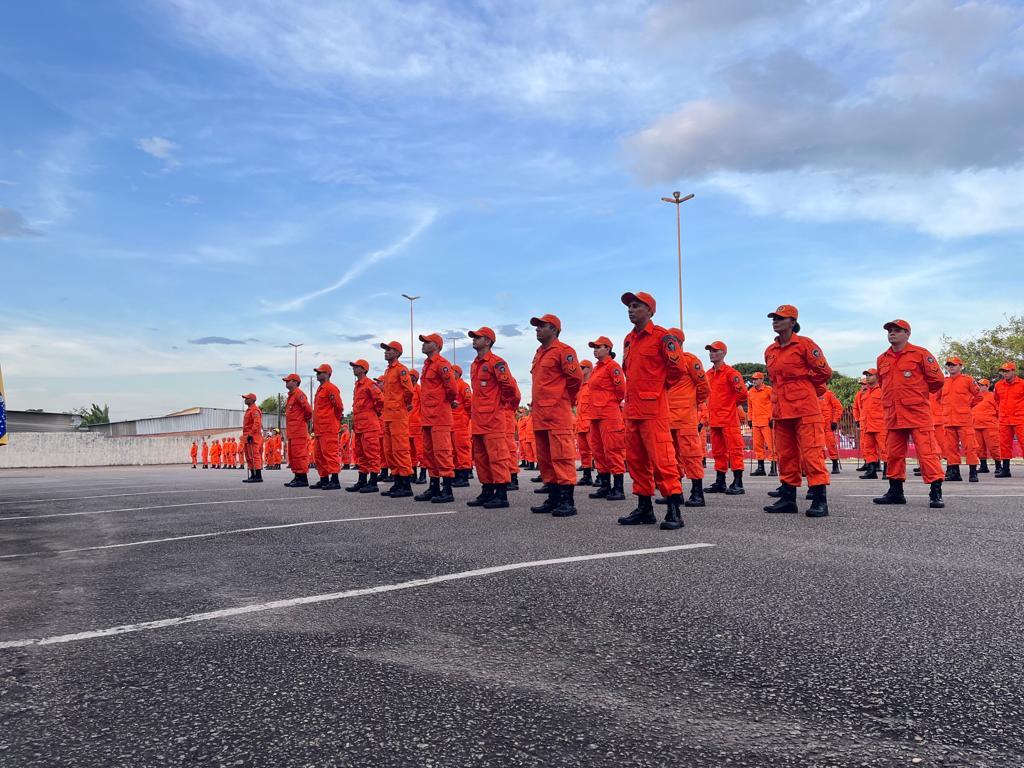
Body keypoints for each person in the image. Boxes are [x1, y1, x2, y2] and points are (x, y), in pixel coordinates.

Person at [615, 292, 688, 529]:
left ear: (650, 310)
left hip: (654, 409)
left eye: (636, 306)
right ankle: (644, 508)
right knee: (636, 460)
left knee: (663, 460)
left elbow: (677, 368)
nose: (630, 309)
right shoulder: (628, 339)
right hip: (633, 409)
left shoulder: (662, 337)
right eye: (629, 306)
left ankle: (674, 509)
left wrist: (659, 387)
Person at [762, 305, 833, 517]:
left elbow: (824, 372)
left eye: (781, 318)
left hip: (804, 408)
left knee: (811, 454)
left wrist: (807, 387)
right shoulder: (770, 351)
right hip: (781, 409)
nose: (775, 321)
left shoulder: (805, 345)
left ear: (793, 322)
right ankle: (788, 499)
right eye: (774, 317)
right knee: (785, 455)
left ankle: (820, 499)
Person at [871, 319, 946, 508]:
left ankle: (935, 492)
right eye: (889, 330)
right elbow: (882, 383)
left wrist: (917, 394)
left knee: (927, 452)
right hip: (893, 414)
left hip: (917, 412)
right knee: (893, 454)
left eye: (897, 330)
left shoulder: (920, 354)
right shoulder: (882, 359)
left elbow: (937, 380)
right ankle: (896, 492)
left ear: (907, 334)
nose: (892, 333)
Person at [528, 314, 584, 517]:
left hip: (557, 413)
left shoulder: (564, 351)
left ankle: (567, 501)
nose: (537, 329)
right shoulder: (539, 353)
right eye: (537, 326)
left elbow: (575, 379)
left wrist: (563, 399)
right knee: (545, 458)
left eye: (542, 326)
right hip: (540, 414)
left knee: (561, 456)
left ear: (554, 329)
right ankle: (552, 498)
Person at [465, 326, 521, 508]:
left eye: (478, 337)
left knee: (497, 457)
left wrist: (502, 405)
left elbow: (511, 389)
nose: (474, 340)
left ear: (488, 341)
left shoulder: (497, 362)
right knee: (481, 457)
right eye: (473, 337)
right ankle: (487, 490)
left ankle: (501, 494)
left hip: (493, 419)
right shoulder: (475, 364)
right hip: (479, 419)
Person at [661, 326, 710, 509]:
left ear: (679, 342)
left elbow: (703, 387)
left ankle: (697, 493)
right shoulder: (663, 363)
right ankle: (675, 493)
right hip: (666, 417)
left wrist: (692, 405)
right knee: (670, 458)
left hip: (685, 418)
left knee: (691, 456)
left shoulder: (690, 361)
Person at [414, 333, 459, 503]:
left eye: (427, 342)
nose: (423, 344)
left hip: (439, 416)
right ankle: (433, 487)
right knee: (429, 454)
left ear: (437, 345)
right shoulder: (427, 365)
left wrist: (445, 402)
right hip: (427, 417)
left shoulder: (442, 364)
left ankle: (447, 490)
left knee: (442, 453)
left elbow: (452, 388)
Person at [586, 336, 627, 501]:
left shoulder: (613, 366)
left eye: (598, 347)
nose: (595, 349)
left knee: (613, 450)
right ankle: (605, 485)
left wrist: (609, 403)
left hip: (609, 414)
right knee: (597, 450)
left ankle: (618, 488)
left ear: (608, 349)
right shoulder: (596, 369)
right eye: (594, 347)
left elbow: (621, 390)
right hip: (595, 415)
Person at [703, 341, 747, 494]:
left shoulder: (731, 373)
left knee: (735, 450)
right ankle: (720, 481)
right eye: (710, 351)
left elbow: (742, 394)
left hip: (728, 420)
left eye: (715, 351)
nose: (711, 353)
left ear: (723, 353)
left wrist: (730, 406)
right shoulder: (708, 374)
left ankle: (738, 482)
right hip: (714, 420)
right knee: (718, 451)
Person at [378, 341, 416, 499]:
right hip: (388, 416)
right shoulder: (387, 372)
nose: (386, 352)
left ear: (397, 353)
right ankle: (397, 481)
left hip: (398, 415)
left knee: (400, 449)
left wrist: (403, 405)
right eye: (386, 349)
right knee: (389, 450)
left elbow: (409, 391)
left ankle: (406, 484)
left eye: (389, 349)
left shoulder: (401, 370)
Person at [346, 359, 385, 493]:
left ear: (363, 369)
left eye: (356, 367)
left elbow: (380, 400)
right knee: (361, 454)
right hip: (359, 426)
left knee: (372, 454)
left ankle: (373, 482)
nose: (354, 369)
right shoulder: (358, 385)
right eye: (354, 367)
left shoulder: (369, 384)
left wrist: (376, 413)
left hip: (369, 426)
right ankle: (362, 480)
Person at [941, 357, 982, 482]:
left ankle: (973, 473)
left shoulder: (967, 380)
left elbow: (979, 396)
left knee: (970, 446)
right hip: (948, 420)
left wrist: (967, 406)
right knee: (950, 448)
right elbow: (936, 398)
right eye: (949, 365)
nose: (951, 367)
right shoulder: (943, 381)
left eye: (953, 364)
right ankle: (954, 473)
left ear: (960, 366)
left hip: (964, 419)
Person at [311, 363, 345, 490]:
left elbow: (339, 407)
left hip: (328, 427)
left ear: (328, 374)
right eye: (317, 373)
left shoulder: (331, 388)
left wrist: (333, 419)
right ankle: (324, 479)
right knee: (319, 455)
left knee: (330, 454)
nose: (318, 374)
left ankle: (335, 480)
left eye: (320, 373)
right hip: (320, 428)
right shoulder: (320, 389)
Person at [282, 373, 313, 487]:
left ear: (295, 382)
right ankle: (297, 477)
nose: (286, 382)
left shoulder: (299, 394)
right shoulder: (291, 396)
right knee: (293, 455)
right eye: (286, 381)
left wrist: (303, 421)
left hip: (299, 431)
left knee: (300, 455)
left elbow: (308, 410)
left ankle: (303, 479)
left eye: (288, 381)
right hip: (292, 432)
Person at [994, 362, 1024, 477]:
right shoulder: (998, 385)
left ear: (1013, 371)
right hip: (1004, 420)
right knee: (1004, 445)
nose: (1005, 374)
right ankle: (1005, 470)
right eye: (1003, 371)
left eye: (1007, 371)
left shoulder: (1022, 384)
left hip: (1020, 418)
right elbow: (997, 400)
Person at [858, 369, 888, 479]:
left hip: (880, 424)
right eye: (866, 375)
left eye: (870, 375)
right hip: (867, 424)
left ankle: (887, 470)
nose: (867, 377)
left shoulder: (883, 390)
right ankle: (871, 471)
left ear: (877, 376)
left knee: (885, 448)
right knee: (869, 448)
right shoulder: (865, 392)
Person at [747, 372, 775, 476]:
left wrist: (772, 418)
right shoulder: (750, 392)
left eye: (756, 379)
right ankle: (760, 468)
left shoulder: (769, 390)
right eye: (753, 379)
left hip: (767, 422)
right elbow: (750, 407)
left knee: (771, 444)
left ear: (762, 380)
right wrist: (749, 419)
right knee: (757, 446)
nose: (754, 381)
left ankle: (773, 467)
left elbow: (774, 404)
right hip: (755, 422)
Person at [451, 365, 474, 487]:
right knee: (453, 451)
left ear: (458, 373)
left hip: (460, 423)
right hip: (451, 423)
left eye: (452, 371)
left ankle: (464, 476)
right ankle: (456, 474)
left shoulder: (463, 385)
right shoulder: (450, 386)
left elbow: (469, 403)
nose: (450, 373)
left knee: (462, 449)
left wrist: (466, 418)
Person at [972, 378, 999, 474]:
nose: (979, 387)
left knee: (994, 446)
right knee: (979, 448)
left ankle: (998, 466)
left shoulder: (993, 396)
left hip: (990, 425)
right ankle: (983, 466)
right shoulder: (974, 397)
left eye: (982, 385)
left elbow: (998, 410)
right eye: (978, 385)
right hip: (976, 425)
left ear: (987, 386)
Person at [575, 360, 594, 485]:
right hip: (580, 424)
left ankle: (602, 477)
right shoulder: (580, 387)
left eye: (581, 368)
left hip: (591, 423)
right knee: (584, 452)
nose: (579, 370)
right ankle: (587, 476)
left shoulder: (593, 384)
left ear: (588, 369)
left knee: (596, 451)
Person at [819, 388, 844, 474]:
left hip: (828, 425)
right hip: (817, 425)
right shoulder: (812, 393)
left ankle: (835, 465)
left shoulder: (829, 394)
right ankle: (820, 466)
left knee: (831, 444)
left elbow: (838, 408)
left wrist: (834, 421)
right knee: (817, 446)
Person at [408, 369, 427, 484]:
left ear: (415, 377)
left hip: (418, 425)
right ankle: (413, 474)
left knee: (420, 452)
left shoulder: (419, 389)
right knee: (411, 452)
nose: (409, 378)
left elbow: (424, 407)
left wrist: (422, 422)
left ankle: (423, 475)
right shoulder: (408, 390)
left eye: (411, 376)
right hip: (408, 426)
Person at [241, 393, 264, 483]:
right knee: (249, 456)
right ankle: (253, 475)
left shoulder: (254, 410)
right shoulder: (249, 410)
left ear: (252, 400)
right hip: (247, 436)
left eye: (247, 398)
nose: (245, 400)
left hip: (253, 436)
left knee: (254, 456)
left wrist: (250, 434)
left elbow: (257, 423)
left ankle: (258, 476)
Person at [853, 377, 868, 470]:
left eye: (864, 384)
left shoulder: (875, 393)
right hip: (863, 422)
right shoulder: (858, 395)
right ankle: (867, 463)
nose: (862, 386)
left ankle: (876, 463)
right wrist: (857, 419)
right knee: (864, 444)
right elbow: (855, 408)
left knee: (879, 444)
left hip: (875, 422)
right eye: (861, 384)